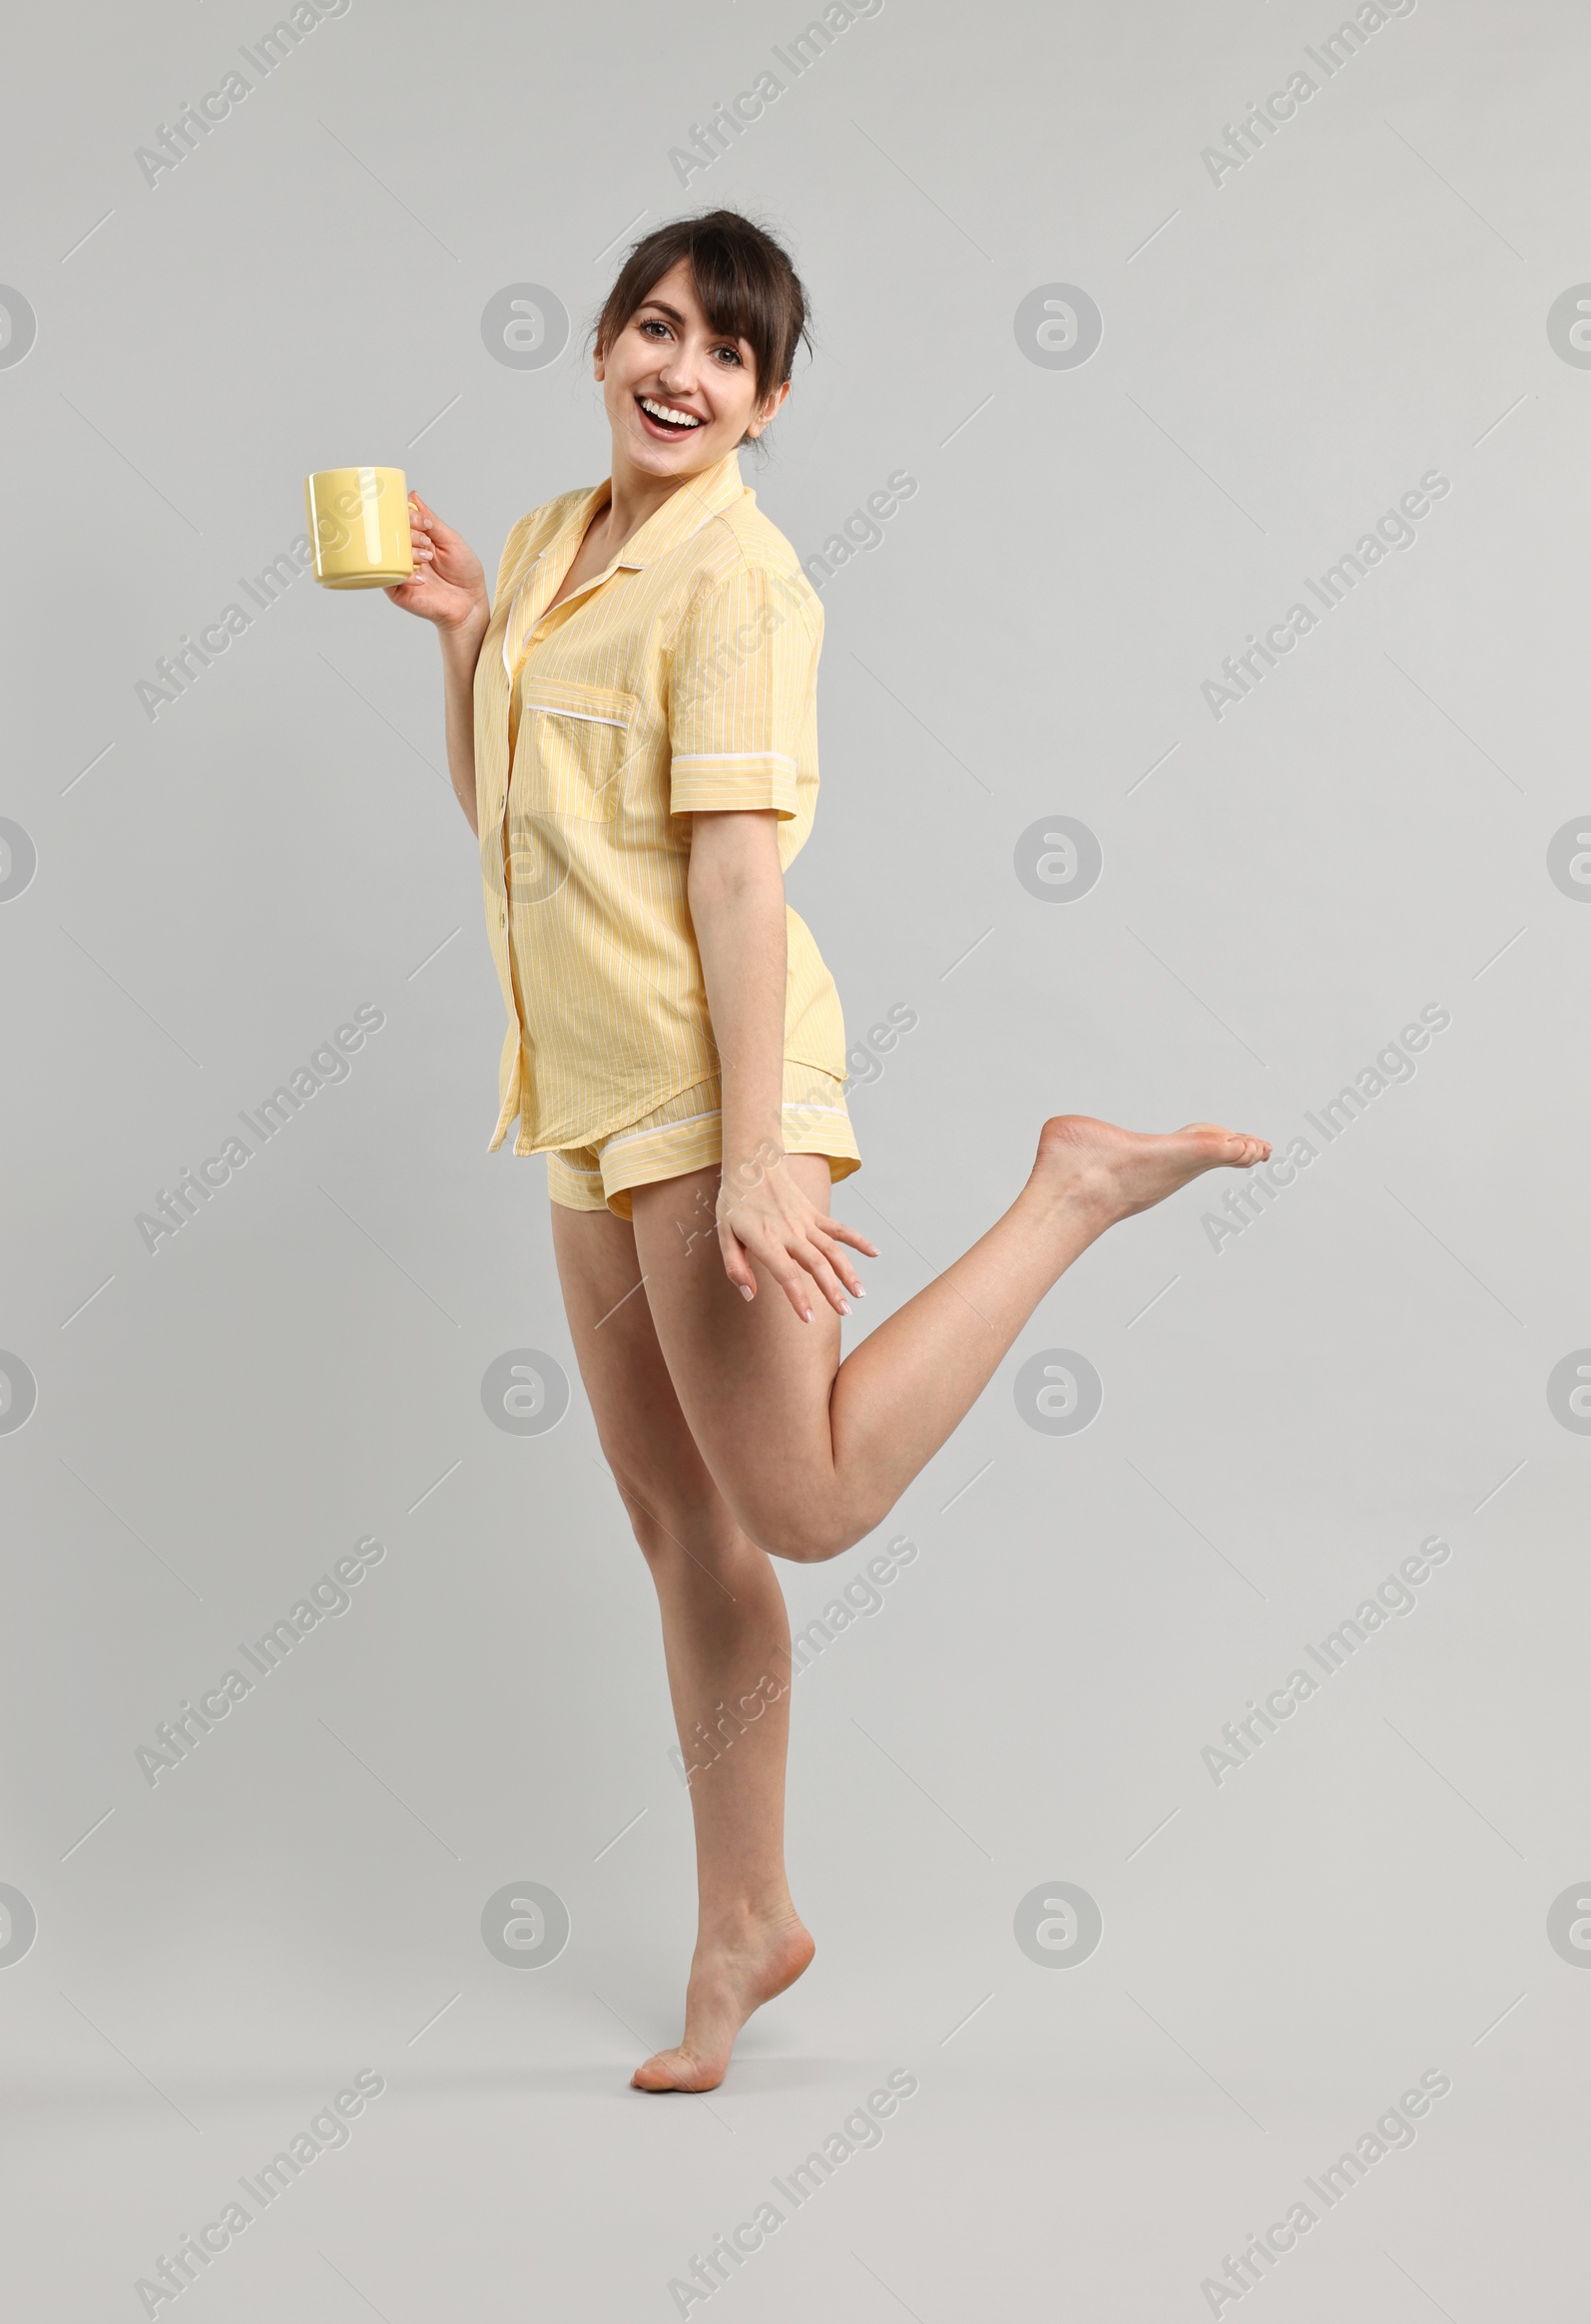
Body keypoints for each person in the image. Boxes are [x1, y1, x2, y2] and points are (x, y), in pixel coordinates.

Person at [390, 210, 1270, 2092]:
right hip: (584, 1100)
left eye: (724, 353)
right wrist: (466, 639)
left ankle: (1070, 1190)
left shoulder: (746, 586)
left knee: (799, 1502)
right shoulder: (550, 545)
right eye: (654, 330)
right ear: (603, 345)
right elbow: (498, 822)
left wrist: (774, 1146)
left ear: (768, 404)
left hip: (717, 1093)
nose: (679, 371)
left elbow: (734, 868)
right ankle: (745, 1926)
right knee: (674, 1516)